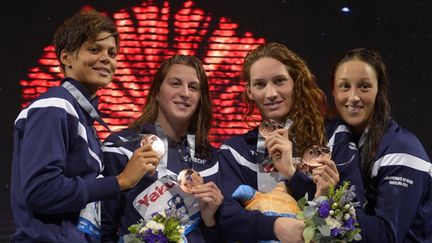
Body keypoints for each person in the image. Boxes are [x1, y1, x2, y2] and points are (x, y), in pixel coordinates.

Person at [10, 10, 157, 242]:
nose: (106, 58)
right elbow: (41, 191)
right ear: (66, 57)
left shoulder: (82, 117)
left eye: (112, 53)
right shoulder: (54, 105)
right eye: (94, 49)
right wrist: (120, 181)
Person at [217, 42, 364, 242]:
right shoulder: (235, 151)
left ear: (295, 82)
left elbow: (354, 211)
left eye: (279, 81)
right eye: (260, 84)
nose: (271, 94)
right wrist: (276, 227)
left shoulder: (333, 136)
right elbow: (227, 218)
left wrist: (292, 174)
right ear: (249, 90)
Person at [101, 54, 224, 242]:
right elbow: (104, 226)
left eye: (193, 87)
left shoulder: (212, 159)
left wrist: (210, 222)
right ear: (157, 92)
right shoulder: (120, 145)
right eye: (175, 83)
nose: (185, 93)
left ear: (200, 98)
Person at [330, 48, 432, 242]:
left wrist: (326, 204)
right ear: (333, 90)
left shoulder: (402, 150)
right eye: (344, 86)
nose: (353, 97)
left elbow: (386, 236)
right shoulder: (342, 140)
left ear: (380, 90)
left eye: (364, 86)